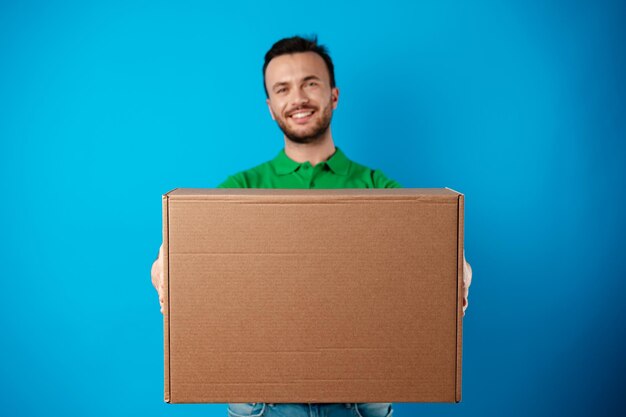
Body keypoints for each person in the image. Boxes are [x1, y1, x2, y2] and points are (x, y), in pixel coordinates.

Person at [151, 35, 473, 417]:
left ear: (334, 95)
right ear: (270, 108)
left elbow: (439, 253)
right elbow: (178, 255)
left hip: (360, 397)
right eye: (282, 89)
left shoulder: (378, 188)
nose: (298, 98)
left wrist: (458, 277)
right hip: (261, 399)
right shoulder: (240, 190)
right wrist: (165, 275)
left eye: (310, 83)